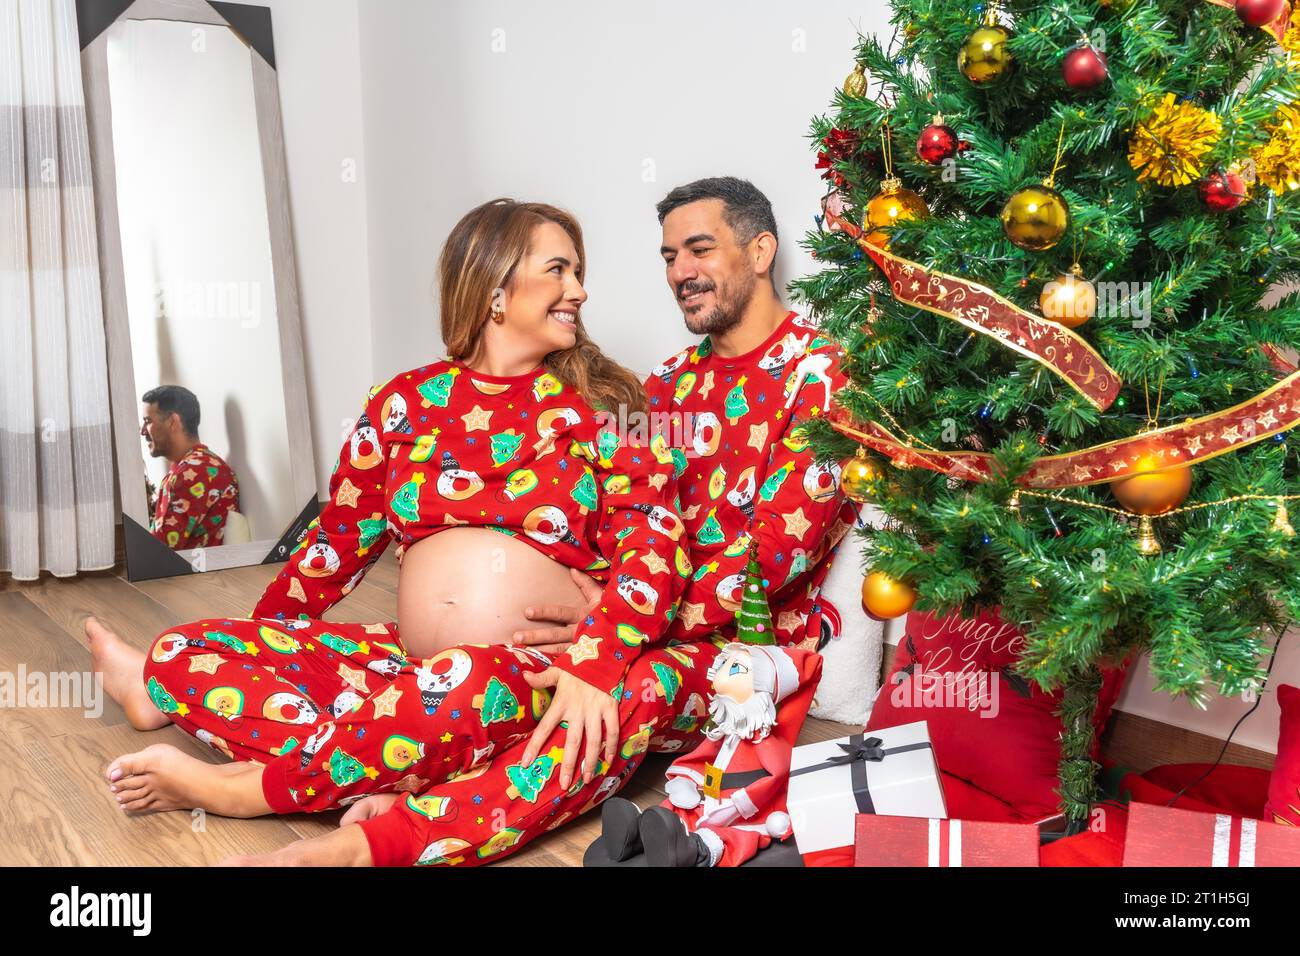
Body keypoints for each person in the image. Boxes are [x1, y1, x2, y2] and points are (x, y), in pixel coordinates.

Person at [86, 199, 723, 866]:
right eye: (559, 269)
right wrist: (263, 645)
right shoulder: (402, 404)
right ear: (495, 289)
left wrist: (597, 656)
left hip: (528, 673)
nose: (580, 290)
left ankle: (256, 789)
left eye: (578, 271)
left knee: (466, 683)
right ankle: (398, 770)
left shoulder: (604, 404)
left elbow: (654, 542)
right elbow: (333, 548)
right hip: (411, 676)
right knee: (185, 646)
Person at [519, 177, 858, 655]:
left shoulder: (824, 373)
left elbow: (780, 549)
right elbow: (619, 505)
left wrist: (626, 625)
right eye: (669, 258)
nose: (680, 272)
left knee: (587, 706)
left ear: (761, 253)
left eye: (699, 249)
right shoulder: (670, 377)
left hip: (743, 646)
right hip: (635, 619)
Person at [140, 385, 240, 550]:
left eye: (148, 421)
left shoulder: (192, 472)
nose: (143, 431)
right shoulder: (198, 465)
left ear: (173, 422)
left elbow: (158, 552)